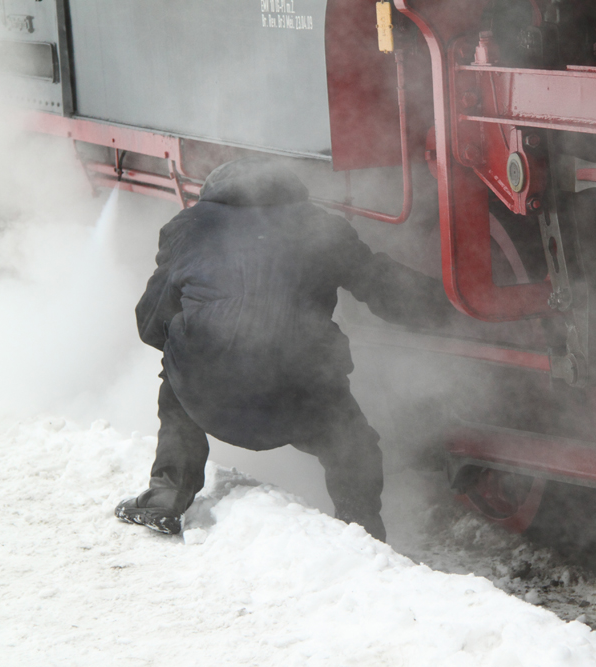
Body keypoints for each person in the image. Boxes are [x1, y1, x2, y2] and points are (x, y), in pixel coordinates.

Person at [114, 157, 450, 541]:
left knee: (180, 360)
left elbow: (150, 321)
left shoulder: (187, 226)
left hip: (208, 400)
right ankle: (362, 532)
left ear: (214, 193)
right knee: (352, 442)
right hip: (298, 399)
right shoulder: (323, 227)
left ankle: (166, 495)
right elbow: (384, 287)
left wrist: (190, 348)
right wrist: (449, 305)